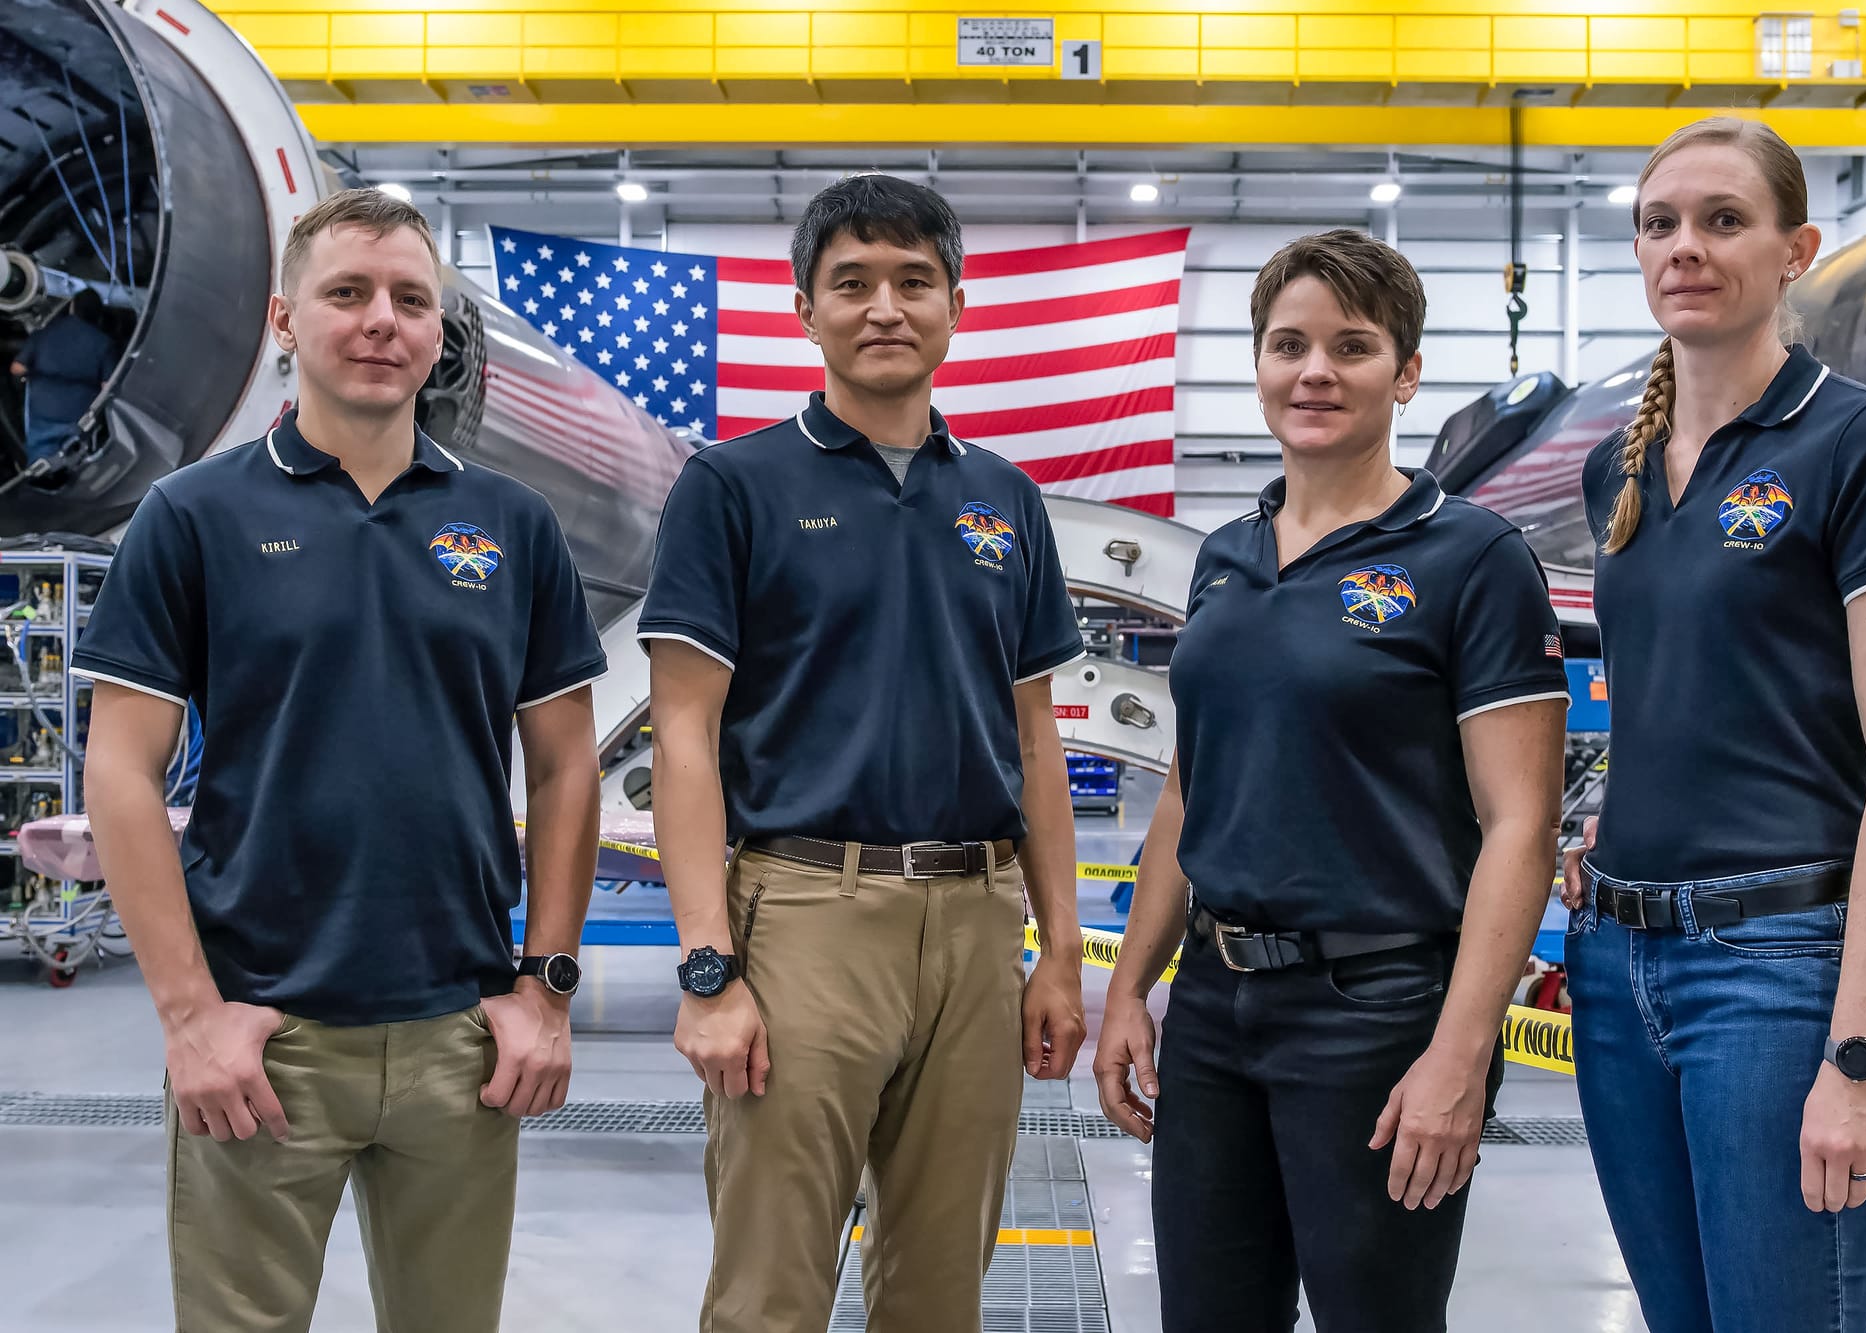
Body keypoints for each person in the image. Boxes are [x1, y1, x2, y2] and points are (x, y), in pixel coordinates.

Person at [74, 187, 607, 1333]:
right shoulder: (191, 517)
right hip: (263, 1040)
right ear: (285, 317)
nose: (382, 321)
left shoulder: (513, 527)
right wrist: (187, 1017)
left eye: (412, 300)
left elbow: (566, 770)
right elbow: (120, 771)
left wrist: (544, 992)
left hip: (461, 1035)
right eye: (349, 293)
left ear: (438, 332)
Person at [1093, 229, 1570, 1332]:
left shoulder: (1470, 559)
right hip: (1215, 1009)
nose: (1314, 371)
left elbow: (1519, 826)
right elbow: (1185, 789)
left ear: (1403, 372)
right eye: (1287, 344)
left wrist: (1460, 1051)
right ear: (1256, 366)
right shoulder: (1223, 555)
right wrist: (1132, 988)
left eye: (1350, 346)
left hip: (1378, 1013)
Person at [640, 173, 1089, 1333]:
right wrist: (707, 968)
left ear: (953, 304)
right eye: (852, 282)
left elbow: (1034, 734)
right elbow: (682, 735)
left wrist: (1057, 951)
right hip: (803, 917)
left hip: (979, 916)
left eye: (912, 281)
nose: (883, 305)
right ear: (804, 306)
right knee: (771, 1286)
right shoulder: (731, 487)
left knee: (940, 1288)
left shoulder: (1005, 500)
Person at [1560, 117, 1866, 1333]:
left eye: (1722, 221)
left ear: (1795, 251)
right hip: (1616, 968)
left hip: (1773, 975)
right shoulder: (1615, 472)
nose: (1685, 246)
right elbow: (1665, 701)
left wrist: (1855, 1058)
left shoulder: (1859, 441)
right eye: (1659, 223)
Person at [9, 288, 119, 468]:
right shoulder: (104, 343)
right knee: (78, 467)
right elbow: (108, 386)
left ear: (72, 307)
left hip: (43, 412)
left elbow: (17, 368)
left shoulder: (45, 333)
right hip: (79, 415)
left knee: (40, 467)